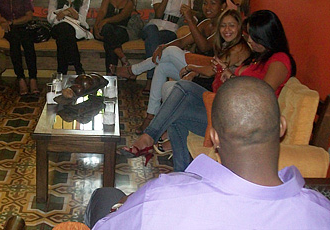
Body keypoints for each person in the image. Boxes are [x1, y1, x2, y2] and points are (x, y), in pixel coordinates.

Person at [85, 77, 330, 229]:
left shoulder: (160, 197)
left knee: (105, 195)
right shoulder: (322, 212)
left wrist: (122, 206)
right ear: (281, 127)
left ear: (213, 137)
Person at [120, 10, 296, 171]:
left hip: (242, 122)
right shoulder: (258, 57)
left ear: (266, 35)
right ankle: (183, 175)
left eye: (253, 36)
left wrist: (232, 78)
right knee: (176, 109)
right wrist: (224, 71)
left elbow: (262, 93)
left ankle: (148, 138)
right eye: (248, 34)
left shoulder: (279, 60)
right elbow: (238, 75)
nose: (248, 39)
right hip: (224, 109)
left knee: (183, 89)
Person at [111, 0, 227, 134]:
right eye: (205, 3)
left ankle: (133, 70)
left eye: (213, 3)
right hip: (194, 74)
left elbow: (204, 47)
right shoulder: (205, 24)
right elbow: (182, 41)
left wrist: (190, 20)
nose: (207, 7)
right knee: (163, 66)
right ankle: (150, 116)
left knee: (171, 52)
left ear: (223, 6)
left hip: (208, 76)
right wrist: (162, 46)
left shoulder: (225, 27)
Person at [140, 0, 193, 94]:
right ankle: (151, 79)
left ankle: (150, 79)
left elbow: (187, 14)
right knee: (152, 33)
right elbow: (158, 14)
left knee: (152, 41)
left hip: (170, 29)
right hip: (153, 25)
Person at [47, 0, 90, 75]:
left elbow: (82, 20)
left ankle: (61, 72)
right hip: (59, 29)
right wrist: (67, 12)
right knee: (64, 28)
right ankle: (78, 68)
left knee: (64, 34)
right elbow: (50, 18)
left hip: (76, 31)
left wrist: (66, 13)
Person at [94, 0, 136, 73]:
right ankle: (121, 58)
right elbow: (102, 12)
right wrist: (96, 26)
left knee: (110, 39)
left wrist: (105, 21)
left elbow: (122, 16)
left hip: (121, 30)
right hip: (104, 29)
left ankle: (110, 73)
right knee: (108, 31)